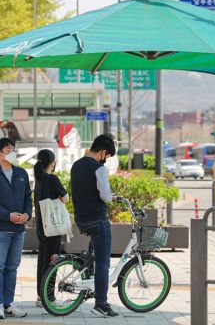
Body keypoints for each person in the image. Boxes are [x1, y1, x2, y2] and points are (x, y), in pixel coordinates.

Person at [0, 138, 31, 320]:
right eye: (9, 149)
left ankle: (9, 304)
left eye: (13, 148)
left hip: (19, 230)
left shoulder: (21, 173)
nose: (13, 151)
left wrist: (27, 214)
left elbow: (28, 198)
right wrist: (8, 215)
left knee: (12, 268)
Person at [70, 134, 118, 317]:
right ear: (104, 152)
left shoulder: (77, 165)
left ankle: (88, 275)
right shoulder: (99, 169)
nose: (106, 160)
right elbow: (105, 195)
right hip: (98, 219)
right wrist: (112, 197)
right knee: (103, 262)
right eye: (107, 156)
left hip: (81, 218)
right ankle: (101, 304)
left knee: (94, 256)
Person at [33, 149, 68, 308]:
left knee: (43, 261)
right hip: (53, 227)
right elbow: (65, 198)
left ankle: (41, 297)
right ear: (52, 163)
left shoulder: (38, 180)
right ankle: (49, 298)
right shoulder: (52, 179)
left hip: (41, 226)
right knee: (52, 262)